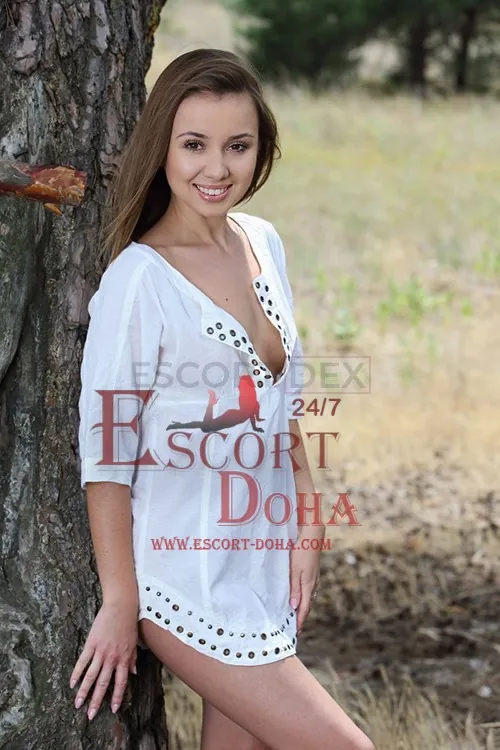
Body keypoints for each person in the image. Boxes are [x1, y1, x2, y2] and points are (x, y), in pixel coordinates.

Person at [71, 48, 375, 750]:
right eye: (194, 145)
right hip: (188, 579)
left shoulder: (263, 243)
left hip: (262, 561)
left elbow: (281, 404)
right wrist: (121, 603)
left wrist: (307, 522)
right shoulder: (139, 280)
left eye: (238, 145)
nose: (217, 168)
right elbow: (107, 456)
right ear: (163, 149)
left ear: (261, 148)